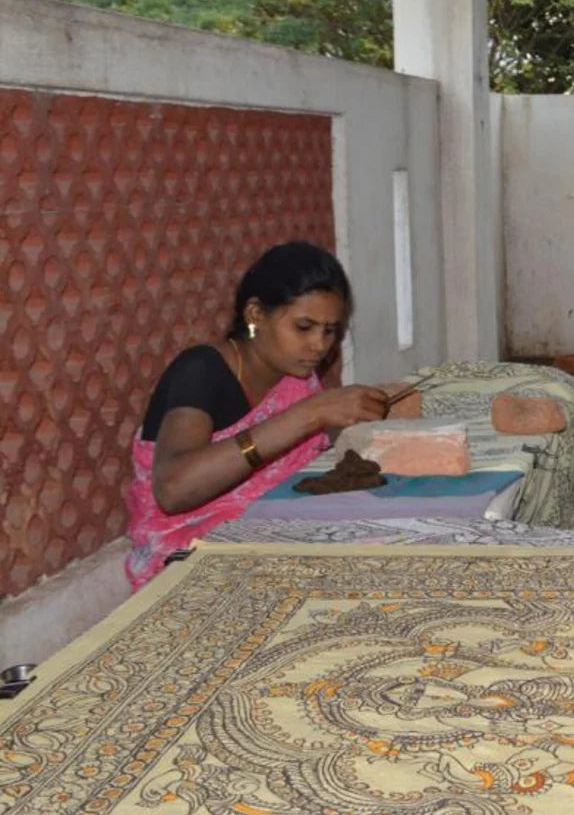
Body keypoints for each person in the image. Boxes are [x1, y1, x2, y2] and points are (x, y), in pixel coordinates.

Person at [125, 242, 389, 589]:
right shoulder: (201, 371)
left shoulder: (295, 375)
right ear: (255, 315)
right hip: (189, 549)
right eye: (304, 327)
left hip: (269, 527)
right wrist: (309, 415)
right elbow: (173, 490)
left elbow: (308, 446)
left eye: (329, 331)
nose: (319, 345)